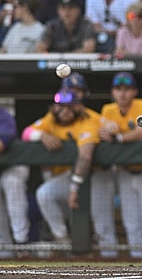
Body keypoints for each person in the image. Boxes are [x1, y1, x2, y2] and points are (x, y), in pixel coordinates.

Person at [96, 72, 142, 258]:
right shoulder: (108, 109)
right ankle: (138, 265)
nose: (123, 94)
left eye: (127, 89)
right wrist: (106, 129)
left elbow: (140, 133)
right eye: (119, 89)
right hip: (124, 173)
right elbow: (102, 132)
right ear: (113, 92)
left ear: (134, 91)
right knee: (131, 226)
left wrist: (117, 137)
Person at [21, 88, 101, 244]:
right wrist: (41, 135)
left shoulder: (88, 120)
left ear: (77, 107)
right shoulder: (51, 118)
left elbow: (85, 157)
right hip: (66, 177)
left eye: (69, 106)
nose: (64, 110)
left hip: (95, 177)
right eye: (61, 106)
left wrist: (74, 188)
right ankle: (62, 239)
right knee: (44, 194)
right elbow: (26, 133)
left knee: (102, 225)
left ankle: (105, 254)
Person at [0, 106, 30, 258]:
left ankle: (21, 243)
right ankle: (4, 249)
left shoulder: (3, 116)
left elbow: (1, 144)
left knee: (12, 183)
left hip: (12, 167)